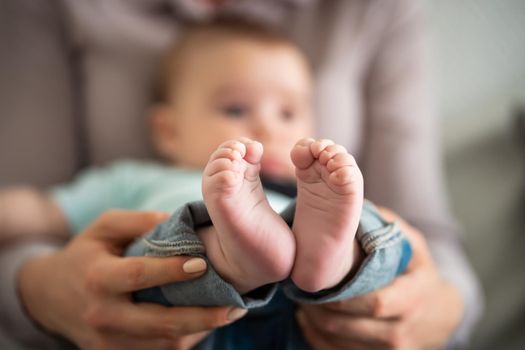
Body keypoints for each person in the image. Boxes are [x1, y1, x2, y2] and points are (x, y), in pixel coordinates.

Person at [0, 0, 482, 349]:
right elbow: (42, 209)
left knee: (375, 226)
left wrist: (440, 301)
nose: (266, 126)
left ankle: (334, 263)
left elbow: (431, 248)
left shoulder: (313, 194)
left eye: (288, 114)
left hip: (320, 327)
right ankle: (234, 251)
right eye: (235, 108)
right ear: (167, 130)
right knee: (170, 244)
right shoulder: (132, 178)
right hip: (184, 331)